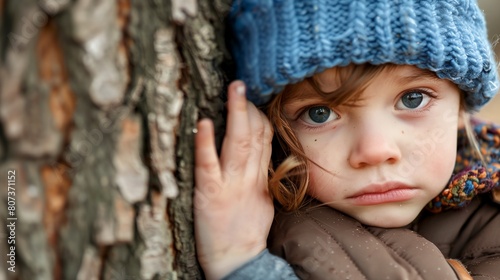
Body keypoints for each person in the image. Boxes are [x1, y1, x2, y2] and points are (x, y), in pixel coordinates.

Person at [194, 0, 500, 279]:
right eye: (319, 114)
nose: (375, 150)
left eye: (413, 99)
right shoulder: (268, 221)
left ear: (461, 108)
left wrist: (244, 265)